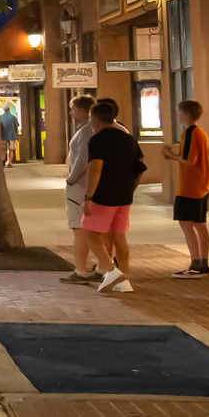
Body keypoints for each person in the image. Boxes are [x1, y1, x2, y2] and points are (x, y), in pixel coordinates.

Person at [82, 98, 144, 293]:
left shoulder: (98, 139)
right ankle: (124, 281)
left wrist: (88, 197)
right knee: (119, 237)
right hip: (124, 195)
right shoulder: (128, 138)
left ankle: (111, 270)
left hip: (103, 195)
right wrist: (131, 188)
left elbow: (95, 170)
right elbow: (140, 166)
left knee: (90, 232)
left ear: (95, 119)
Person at [162, 99, 209, 277]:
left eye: (179, 112)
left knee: (186, 223)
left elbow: (190, 160)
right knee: (199, 224)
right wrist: (174, 156)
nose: (177, 115)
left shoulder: (191, 132)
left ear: (187, 114)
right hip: (202, 184)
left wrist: (170, 155)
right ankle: (202, 263)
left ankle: (196, 263)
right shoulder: (199, 132)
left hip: (190, 186)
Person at [60, 96, 100, 285]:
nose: (71, 113)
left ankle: (81, 269)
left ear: (84, 110)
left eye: (73, 108)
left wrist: (71, 179)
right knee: (99, 229)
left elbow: (83, 159)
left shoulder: (86, 131)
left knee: (80, 228)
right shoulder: (111, 129)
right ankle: (103, 267)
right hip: (95, 187)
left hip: (82, 187)